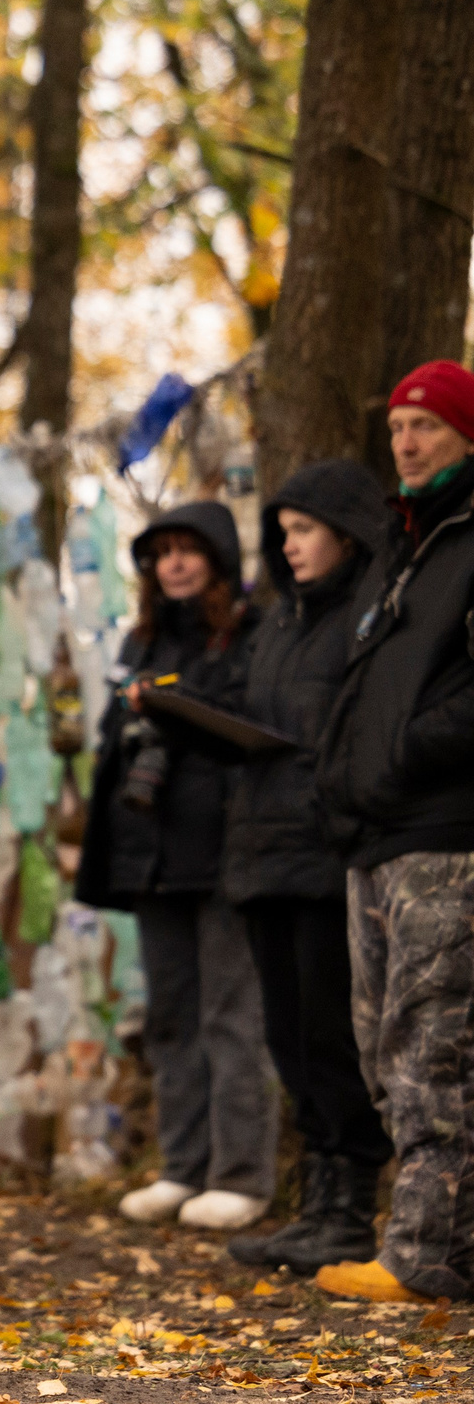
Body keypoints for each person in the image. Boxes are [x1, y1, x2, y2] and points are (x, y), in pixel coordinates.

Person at [314, 360, 474, 1303]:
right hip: (373, 833)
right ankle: (441, 1238)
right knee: (383, 1048)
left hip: (446, 835)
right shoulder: (400, 545)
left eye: (427, 425)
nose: (407, 443)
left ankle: (426, 1254)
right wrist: (349, 778)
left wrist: (404, 751)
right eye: (398, 428)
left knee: (433, 1049)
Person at [77, 501, 278, 1231]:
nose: (174, 564)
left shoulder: (252, 635)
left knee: (231, 1015)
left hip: (224, 853)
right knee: (170, 1018)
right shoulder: (143, 641)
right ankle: (182, 1167)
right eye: (162, 553)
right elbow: (113, 738)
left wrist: (175, 708)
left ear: (218, 559)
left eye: (188, 550)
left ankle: (241, 1175)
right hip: (152, 856)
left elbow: (252, 731)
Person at [221, 461, 395, 1273]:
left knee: (332, 1037)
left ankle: (350, 1210)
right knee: (288, 1038)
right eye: (282, 531)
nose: (289, 545)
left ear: (347, 534)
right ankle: (317, 1205)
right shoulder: (278, 622)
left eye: (304, 530)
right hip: (261, 859)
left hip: (326, 860)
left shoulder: (368, 616)